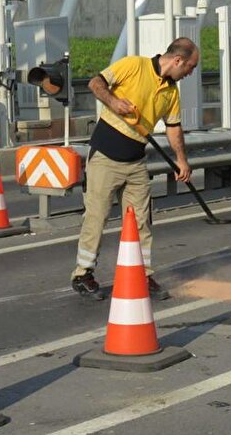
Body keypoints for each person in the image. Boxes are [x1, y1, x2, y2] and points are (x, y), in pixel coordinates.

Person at [72, 38, 199, 301]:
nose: (190, 73)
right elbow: (95, 83)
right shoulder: (133, 65)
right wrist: (114, 102)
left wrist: (181, 160)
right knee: (97, 217)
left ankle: (141, 274)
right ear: (177, 60)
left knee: (142, 221)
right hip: (106, 157)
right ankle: (83, 274)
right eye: (190, 67)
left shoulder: (171, 92)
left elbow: (173, 127)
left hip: (136, 161)